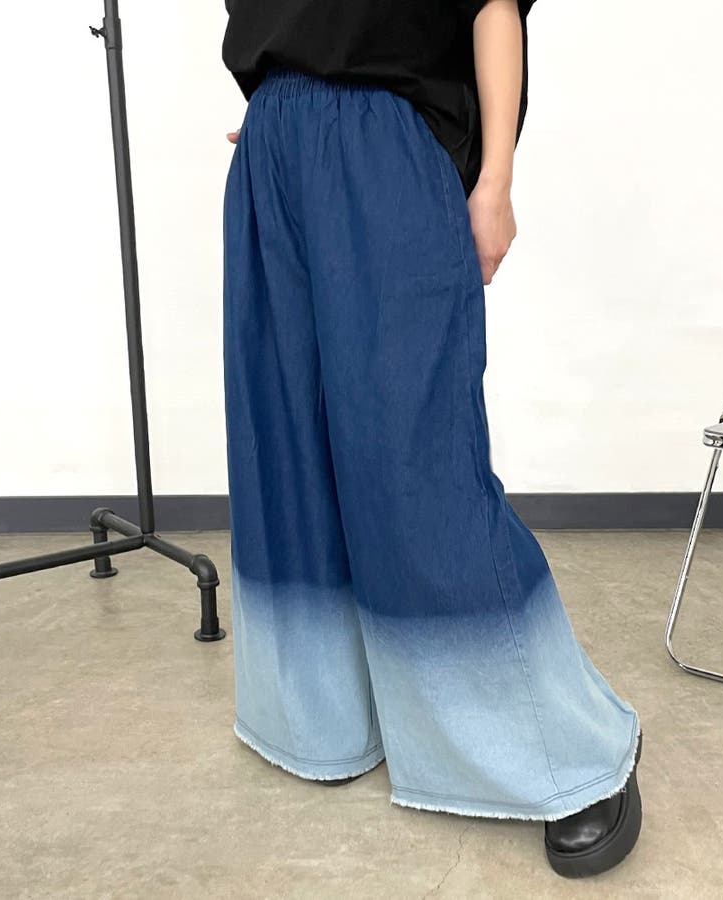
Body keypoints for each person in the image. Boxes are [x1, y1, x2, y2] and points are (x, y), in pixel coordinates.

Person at [220, 0, 643, 879]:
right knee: (286, 446)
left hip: (384, 141)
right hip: (276, 145)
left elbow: (492, 4)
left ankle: (561, 753)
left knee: (413, 455)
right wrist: (280, 110)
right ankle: (325, 717)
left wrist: (496, 181)